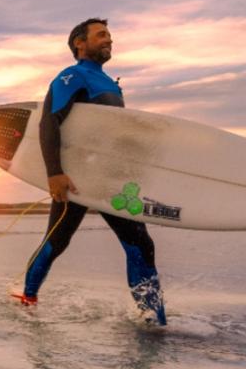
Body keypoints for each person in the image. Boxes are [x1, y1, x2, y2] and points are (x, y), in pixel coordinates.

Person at [13, 17, 167, 325]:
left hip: (109, 179)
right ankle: (26, 299)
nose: (109, 39)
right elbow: (49, 122)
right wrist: (54, 173)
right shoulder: (73, 76)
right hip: (77, 179)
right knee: (56, 242)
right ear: (79, 43)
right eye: (101, 35)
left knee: (140, 243)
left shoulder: (110, 84)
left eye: (110, 35)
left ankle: (152, 319)